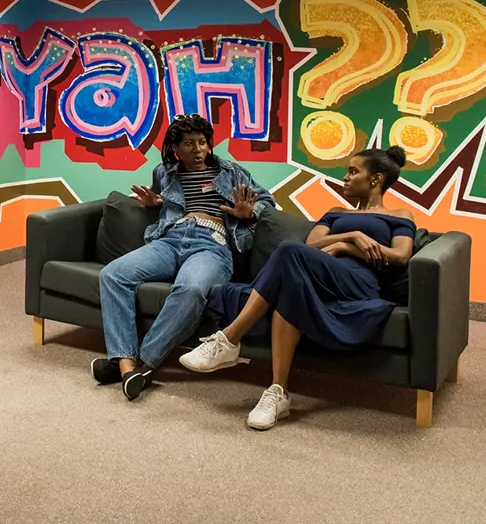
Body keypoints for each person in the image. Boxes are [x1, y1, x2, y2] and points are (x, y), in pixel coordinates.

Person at [178, 146, 416, 430]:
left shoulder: (400, 214)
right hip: (321, 276)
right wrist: (352, 236)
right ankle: (278, 393)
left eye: (354, 171)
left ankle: (229, 339)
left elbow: (400, 256)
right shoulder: (335, 213)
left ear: (376, 179)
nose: (346, 177)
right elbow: (310, 246)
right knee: (289, 284)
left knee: (288, 252)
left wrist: (344, 247)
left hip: (359, 283)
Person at [91, 113, 275, 401]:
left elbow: (267, 201)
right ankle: (126, 365)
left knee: (190, 289)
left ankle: (144, 364)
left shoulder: (232, 172)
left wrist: (249, 212)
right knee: (112, 275)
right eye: (189, 143)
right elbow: (162, 200)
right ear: (176, 149)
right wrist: (154, 202)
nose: (198, 149)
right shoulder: (164, 172)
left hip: (211, 242)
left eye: (202, 142)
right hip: (171, 237)